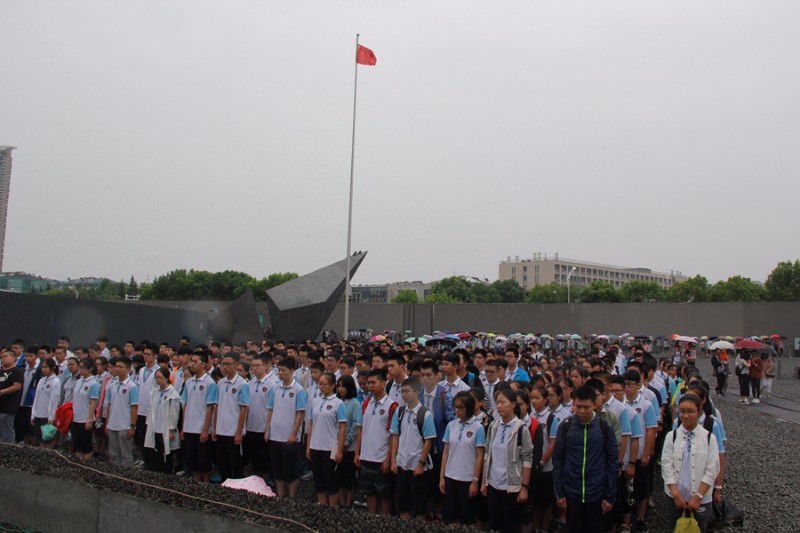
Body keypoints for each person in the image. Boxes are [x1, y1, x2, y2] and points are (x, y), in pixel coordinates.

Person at [552, 386, 618, 533]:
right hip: (571, 493)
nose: (582, 411)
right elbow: (558, 459)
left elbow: (612, 462)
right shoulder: (566, 426)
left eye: (586, 407)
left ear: (594, 405)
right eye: (578, 406)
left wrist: (610, 495)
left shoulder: (603, 427)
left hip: (596, 493)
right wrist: (559, 493)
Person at [661, 395, 720, 533]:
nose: (686, 415)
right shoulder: (672, 436)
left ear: (699, 412)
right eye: (682, 411)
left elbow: (712, 470)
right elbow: (666, 465)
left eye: (690, 411)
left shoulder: (709, 438)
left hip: (701, 498)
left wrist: (698, 497)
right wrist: (676, 494)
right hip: (674, 496)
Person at [481, 388, 533, 533]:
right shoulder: (494, 426)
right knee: (495, 523)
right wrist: (484, 481)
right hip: (493, 484)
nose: (499, 406)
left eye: (503, 402)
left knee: (511, 524)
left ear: (513, 404)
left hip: (512, 486)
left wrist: (524, 487)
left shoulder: (521, 429)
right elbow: (487, 453)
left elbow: (527, 458)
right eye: (497, 402)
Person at [390, 376, 437, 521]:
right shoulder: (399, 412)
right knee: (403, 503)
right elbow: (395, 436)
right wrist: (393, 460)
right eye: (402, 392)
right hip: (402, 462)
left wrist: (421, 463)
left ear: (417, 392)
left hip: (417, 464)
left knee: (419, 503)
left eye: (407, 391)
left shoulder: (425, 414)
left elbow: (428, 441)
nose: (404, 395)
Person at [355, 369, 398, 515]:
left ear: (383, 383)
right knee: (369, 491)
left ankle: (385, 520)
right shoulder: (366, 403)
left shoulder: (392, 406)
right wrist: (357, 452)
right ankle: (371, 518)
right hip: (366, 455)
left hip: (381, 457)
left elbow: (393, 435)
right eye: (369, 383)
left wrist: (389, 459)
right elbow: (360, 429)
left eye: (374, 382)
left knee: (385, 493)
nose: (370, 386)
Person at [439, 391, 485, 526]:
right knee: (452, 516)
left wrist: (475, 480)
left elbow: (480, 455)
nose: (457, 411)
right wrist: (442, 476)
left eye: (461, 408)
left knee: (467, 517)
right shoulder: (451, 425)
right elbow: (446, 451)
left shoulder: (478, 428)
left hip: (467, 478)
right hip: (451, 476)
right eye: (455, 407)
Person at [266, 356, 308, 498]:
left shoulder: (298, 390)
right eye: (279, 370)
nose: (280, 373)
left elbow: (300, 413)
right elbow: (270, 409)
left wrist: (293, 433)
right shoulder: (275, 388)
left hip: (289, 437)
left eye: (283, 370)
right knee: (277, 468)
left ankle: (292, 496)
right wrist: (267, 429)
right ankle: (280, 494)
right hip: (275, 434)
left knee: (290, 468)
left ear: (291, 371)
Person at [306, 372, 347, 506]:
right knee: (319, 480)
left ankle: (332, 508)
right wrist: (308, 446)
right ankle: (322, 506)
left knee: (331, 480)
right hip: (315, 445)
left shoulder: (338, 404)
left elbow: (342, 428)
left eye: (324, 384)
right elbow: (311, 424)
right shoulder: (316, 401)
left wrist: (339, 450)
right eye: (320, 384)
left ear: (332, 386)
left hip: (330, 447)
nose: (321, 387)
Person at [181, 352, 218, 483]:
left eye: (195, 361)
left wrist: (205, 429)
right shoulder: (189, 382)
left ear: (203, 364)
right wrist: (183, 427)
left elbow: (210, 407)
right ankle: (197, 481)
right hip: (189, 426)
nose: (192, 364)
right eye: (192, 361)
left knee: (204, 458)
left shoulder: (210, 383)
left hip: (201, 427)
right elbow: (185, 404)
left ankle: (206, 482)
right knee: (192, 458)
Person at [213, 353, 250, 481]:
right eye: (223, 364)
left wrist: (239, 432)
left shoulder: (242, 384)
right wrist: (215, 428)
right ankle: (225, 483)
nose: (225, 367)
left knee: (236, 460)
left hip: (233, 430)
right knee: (222, 460)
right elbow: (217, 406)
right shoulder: (221, 383)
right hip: (221, 428)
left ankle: (237, 484)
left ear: (235, 365)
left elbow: (243, 409)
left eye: (228, 364)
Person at [245, 353, 278, 481]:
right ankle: (256, 480)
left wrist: (268, 427)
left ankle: (266, 481)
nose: (255, 368)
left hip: (264, 426)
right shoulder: (250, 384)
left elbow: (273, 408)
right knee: (254, 457)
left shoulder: (272, 384)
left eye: (257, 365)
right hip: (251, 426)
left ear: (265, 366)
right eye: (252, 366)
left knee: (265, 457)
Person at [144, 367, 181, 474]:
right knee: (155, 453)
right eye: (156, 378)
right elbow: (150, 409)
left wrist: (171, 429)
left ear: (166, 378)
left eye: (160, 377)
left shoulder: (172, 393)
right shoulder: (154, 392)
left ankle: (167, 473)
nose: (158, 380)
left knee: (166, 454)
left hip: (165, 428)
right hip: (155, 427)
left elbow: (174, 413)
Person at [104, 357, 139, 467]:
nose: (117, 369)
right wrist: (107, 423)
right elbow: (109, 405)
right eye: (116, 366)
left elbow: (134, 407)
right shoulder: (112, 385)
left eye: (120, 367)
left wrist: (132, 426)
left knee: (126, 454)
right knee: (113, 454)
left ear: (128, 369)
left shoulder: (132, 386)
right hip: (113, 424)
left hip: (125, 425)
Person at [336, 375, 362, 508]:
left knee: (349, 476)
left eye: (344, 386)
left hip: (349, 447)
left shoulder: (355, 403)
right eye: (339, 386)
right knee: (339, 476)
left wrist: (346, 441)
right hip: (336, 445)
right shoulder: (336, 401)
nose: (341, 389)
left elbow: (356, 425)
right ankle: (341, 502)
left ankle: (348, 503)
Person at [70, 359, 99, 460]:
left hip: (85, 418)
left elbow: (93, 403)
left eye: (83, 368)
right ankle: (77, 461)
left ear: (90, 369)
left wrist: (89, 419)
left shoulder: (93, 384)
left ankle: (87, 462)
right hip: (75, 417)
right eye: (80, 368)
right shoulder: (78, 382)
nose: (81, 370)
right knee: (76, 444)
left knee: (86, 444)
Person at [0, 349, 24, 443]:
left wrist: (2, 391)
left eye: (6, 357)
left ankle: (8, 448)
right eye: (2, 357)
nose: (3, 359)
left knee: (7, 429)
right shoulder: (1, 372)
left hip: (8, 406)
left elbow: (17, 386)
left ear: (13, 358)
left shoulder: (16, 371)